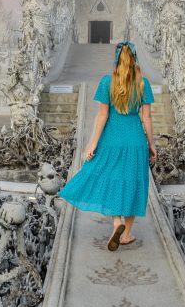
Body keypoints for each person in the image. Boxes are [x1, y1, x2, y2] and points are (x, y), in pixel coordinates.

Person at [58, 40, 157, 250]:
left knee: (111, 179)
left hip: (112, 138)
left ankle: (116, 222)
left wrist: (92, 144)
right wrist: (152, 145)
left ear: (116, 59)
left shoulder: (107, 82)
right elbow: (147, 118)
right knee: (134, 183)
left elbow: (102, 115)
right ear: (135, 59)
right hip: (135, 140)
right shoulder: (143, 83)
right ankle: (126, 235)